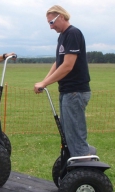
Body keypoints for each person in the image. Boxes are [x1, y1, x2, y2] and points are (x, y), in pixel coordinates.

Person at [34, 5, 91, 158]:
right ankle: (75, 162)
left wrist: (45, 84)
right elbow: (59, 62)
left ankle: (84, 165)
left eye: (51, 22)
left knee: (75, 135)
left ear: (61, 16)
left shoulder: (73, 33)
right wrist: (44, 80)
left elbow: (67, 66)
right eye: (48, 24)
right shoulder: (63, 36)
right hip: (67, 91)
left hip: (75, 92)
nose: (51, 27)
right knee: (68, 134)